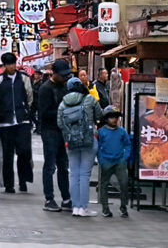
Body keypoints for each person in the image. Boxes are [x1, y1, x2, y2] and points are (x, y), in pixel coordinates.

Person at [58, 77, 99, 217]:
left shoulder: (63, 103)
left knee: (74, 174)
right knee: (85, 175)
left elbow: (59, 123)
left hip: (70, 141)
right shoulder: (89, 99)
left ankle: (75, 207)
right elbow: (99, 115)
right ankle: (83, 208)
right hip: (88, 140)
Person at [0, 52, 33, 193]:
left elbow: (30, 96)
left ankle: (23, 181)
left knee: (24, 152)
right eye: (8, 64)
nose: (11, 67)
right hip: (5, 122)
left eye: (13, 63)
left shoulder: (24, 78)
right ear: (4, 66)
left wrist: (26, 111)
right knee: (7, 155)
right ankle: (8, 184)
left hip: (22, 121)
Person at [36, 59, 73, 212]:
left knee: (63, 166)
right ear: (54, 73)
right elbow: (43, 113)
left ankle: (66, 198)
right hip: (49, 130)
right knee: (50, 165)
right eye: (62, 75)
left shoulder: (64, 87)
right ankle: (49, 198)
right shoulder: (45, 89)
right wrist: (62, 112)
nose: (65, 78)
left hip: (62, 131)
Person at [96, 106, 132, 218]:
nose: (115, 119)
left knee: (124, 183)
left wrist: (125, 157)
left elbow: (128, 144)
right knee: (104, 185)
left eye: (116, 117)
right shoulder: (101, 132)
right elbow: (97, 147)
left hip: (119, 161)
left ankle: (123, 206)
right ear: (106, 119)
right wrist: (101, 159)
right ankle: (105, 208)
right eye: (112, 117)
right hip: (106, 161)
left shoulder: (122, 131)